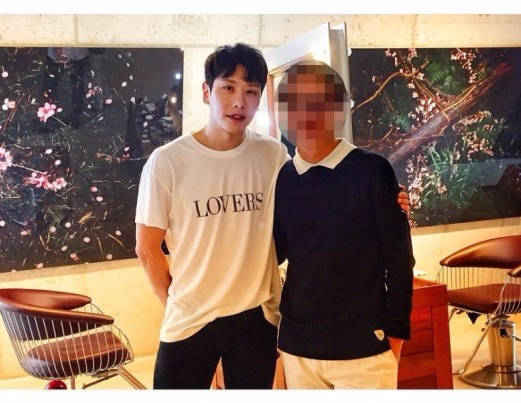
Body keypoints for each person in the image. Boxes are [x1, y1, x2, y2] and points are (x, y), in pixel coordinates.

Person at [135, 43, 411, 390]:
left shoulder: (273, 156)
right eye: (228, 88)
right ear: (206, 92)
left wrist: (391, 199)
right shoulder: (167, 161)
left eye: (251, 91)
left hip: (256, 320)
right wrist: (177, 305)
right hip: (190, 321)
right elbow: (147, 249)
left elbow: (304, 212)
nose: (239, 102)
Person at [272, 60, 415, 389]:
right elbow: (276, 253)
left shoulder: (372, 171)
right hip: (299, 347)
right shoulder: (284, 178)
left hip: (364, 348)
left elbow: (399, 260)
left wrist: (396, 336)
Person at [42, 47, 89, 129]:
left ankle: (51, 119)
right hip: (77, 54)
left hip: (71, 54)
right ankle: (75, 117)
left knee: (51, 86)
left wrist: (58, 51)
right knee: (77, 85)